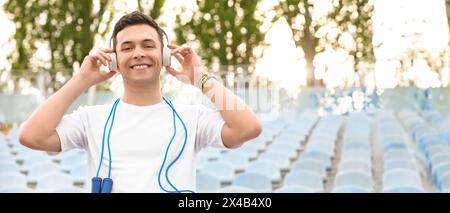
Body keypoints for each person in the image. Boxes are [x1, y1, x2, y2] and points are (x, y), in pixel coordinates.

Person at [18, 11, 262, 193]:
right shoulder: (90, 119)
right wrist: (81, 80)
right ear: (113, 60)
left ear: (164, 56)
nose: (138, 53)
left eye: (148, 45)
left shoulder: (192, 118)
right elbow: (32, 136)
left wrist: (201, 78)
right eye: (127, 47)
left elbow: (248, 128)